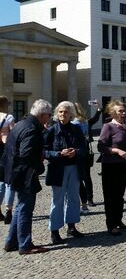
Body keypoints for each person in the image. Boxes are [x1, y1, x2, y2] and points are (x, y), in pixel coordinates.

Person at [3, 99, 51, 254]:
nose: (49, 118)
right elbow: (26, 154)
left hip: (15, 172)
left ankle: (11, 242)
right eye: (48, 115)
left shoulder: (21, 124)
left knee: (20, 207)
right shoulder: (31, 128)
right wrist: (39, 166)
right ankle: (25, 245)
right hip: (25, 174)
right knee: (25, 208)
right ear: (43, 115)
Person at [44, 101, 88, 244]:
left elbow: (84, 148)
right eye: (61, 112)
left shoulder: (76, 129)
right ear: (57, 114)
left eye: (66, 112)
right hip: (58, 169)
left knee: (74, 197)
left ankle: (71, 226)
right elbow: (43, 151)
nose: (63, 114)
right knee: (58, 200)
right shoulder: (51, 130)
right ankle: (54, 230)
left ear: (71, 114)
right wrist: (58, 153)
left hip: (74, 167)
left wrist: (75, 152)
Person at [97, 100, 126, 236]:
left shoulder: (125, 126)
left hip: (123, 164)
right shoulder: (108, 126)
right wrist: (116, 150)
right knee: (110, 195)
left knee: (120, 195)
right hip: (110, 165)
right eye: (120, 111)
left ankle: (119, 220)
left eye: (124, 111)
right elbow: (101, 146)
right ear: (113, 113)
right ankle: (111, 224)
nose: (123, 113)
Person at [72, 101, 100, 214]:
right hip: (86, 152)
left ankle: (82, 200)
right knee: (87, 177)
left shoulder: (73, 124)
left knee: (78, 178)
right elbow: (95, 119)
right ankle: (89, 199)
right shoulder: (85, 122)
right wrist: (99, 109)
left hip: (77, 153)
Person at [0, 96, 16, 224]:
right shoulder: (8, 117)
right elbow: (14, 134)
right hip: (5, 151)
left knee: (0, 183)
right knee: (8, 182)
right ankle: (8, 210)